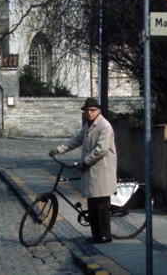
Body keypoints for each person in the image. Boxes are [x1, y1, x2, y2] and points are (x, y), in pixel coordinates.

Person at [49, 97, 117, 243]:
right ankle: (96, 234)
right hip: (91, 171)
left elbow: (101, 149)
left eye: (92, 110)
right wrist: (58, 150)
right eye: (87, 110)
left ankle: (105, 235)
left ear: (98, 111)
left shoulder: (104, 126)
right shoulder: (89, 126)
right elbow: (76, 140)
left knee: (102, 203)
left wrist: (85, 162)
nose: (89, 113)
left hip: (102, 170)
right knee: (92, 202)